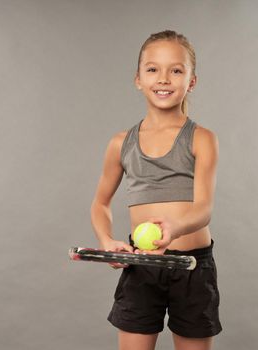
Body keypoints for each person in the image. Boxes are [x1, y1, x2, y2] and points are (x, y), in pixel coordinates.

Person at [90, 29, 222, 350]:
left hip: (192, 266)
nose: (164, 79)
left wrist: (175, 227)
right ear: (138, 79)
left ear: (190, 81)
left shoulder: (202, 138)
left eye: (176, 70)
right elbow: (100, 204)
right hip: (142, 267)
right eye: (153, 69)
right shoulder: (121, 143)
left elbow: (204, 209)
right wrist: (107, 242)